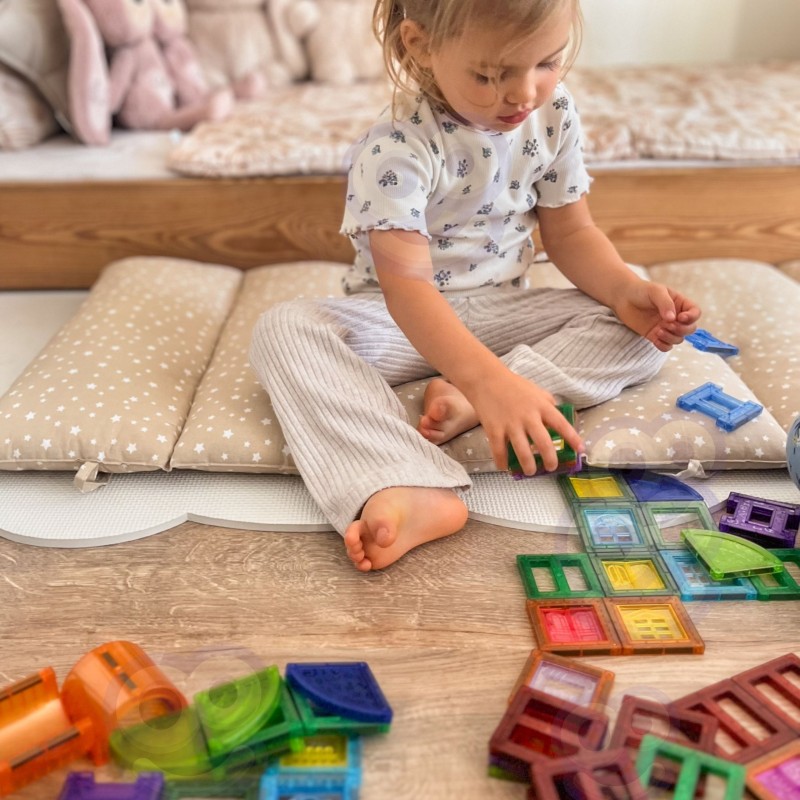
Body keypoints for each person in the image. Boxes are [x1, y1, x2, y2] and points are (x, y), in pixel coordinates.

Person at [249, 0, 701, 572]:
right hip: (402, 322)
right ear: (420, 46)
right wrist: (491, 382)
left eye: (547, 62)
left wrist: (624, 292)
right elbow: (408, 290)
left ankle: (471, 401)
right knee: (285, 330)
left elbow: (572, 234)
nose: (524, 94)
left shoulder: (552, 113)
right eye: (491, 75)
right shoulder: (395, 149)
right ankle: (401, 478)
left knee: (639, 334)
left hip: (503, 309)